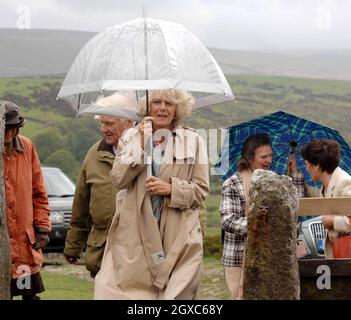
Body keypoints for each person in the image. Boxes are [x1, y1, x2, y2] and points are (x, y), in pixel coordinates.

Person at [94, 89, 209, 299]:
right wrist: (141, 143)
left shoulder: (194, 140)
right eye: (157, 102)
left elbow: (201, 191)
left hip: (178, 234)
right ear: (148, 107)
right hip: (135, 233)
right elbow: (119, 179)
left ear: (178, 109)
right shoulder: (130, 137)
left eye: (169, 103)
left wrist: (172, 189)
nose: (163, 108)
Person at [220, 133, 303, 299]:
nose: (269, 160)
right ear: (250, 158)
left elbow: (294, 206)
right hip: (238, 257)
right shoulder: (233, 183)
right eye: (263, 157)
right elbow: (228, 220)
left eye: (271, 155)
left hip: (269, 255)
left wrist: (294, 173)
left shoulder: (273, 180)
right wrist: (258, 225)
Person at [63, 92, 137, 277]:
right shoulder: (94, 154)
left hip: (137, 249)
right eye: (101, 123)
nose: (103, 129)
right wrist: (73, 246)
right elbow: (81, 203)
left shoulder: (149, 151)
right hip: (102, 250)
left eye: (109, 123)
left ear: (130, 122)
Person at [2, 101, 51, 300]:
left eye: (13, 128)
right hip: (2, 246)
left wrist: (42, 227)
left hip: (24, 246)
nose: (9, 133)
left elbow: (38, 192)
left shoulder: (27, 147)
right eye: (5, 128)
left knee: (28, 295)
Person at [301, 139, 351, 258]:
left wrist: (332, 221)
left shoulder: (345, 182)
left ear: (317, 166)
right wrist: (304, 186)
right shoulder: (328, 184)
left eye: (307, 164)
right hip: (339, 254)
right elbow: (322, 196)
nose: (307, 169)